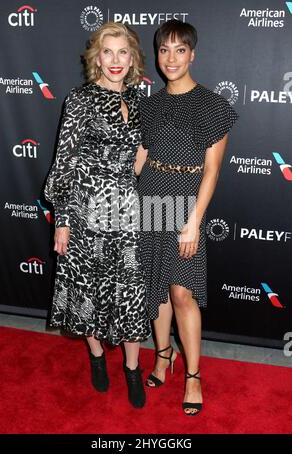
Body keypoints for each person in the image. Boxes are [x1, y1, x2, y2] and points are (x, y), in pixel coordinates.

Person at [44, 22, 150, 409]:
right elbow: (65, 163)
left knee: (129, 291)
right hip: (87, 209)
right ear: (97, 58)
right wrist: (64, 219)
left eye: (124, 52)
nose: (116, 60)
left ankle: (133, 368)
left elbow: (139, 160)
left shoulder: (139, 100)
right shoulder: (80, 99)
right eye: (109, 52)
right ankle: (97, 357)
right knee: (88, 290)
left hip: (126, 210)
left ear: (133, 58)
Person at [136, 20, 238, 415]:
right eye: (165, 50)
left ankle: (192, 375)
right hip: (150, 196)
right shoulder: (149, 104)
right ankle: (163, 356)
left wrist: (194, 220)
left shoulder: (213, 106)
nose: (172, 58)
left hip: (185, 202)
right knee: (154, 288)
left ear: (192, 54)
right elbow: (142, 155)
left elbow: (212, 170)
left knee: (181, 292)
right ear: (157, 55)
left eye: (180, 50)